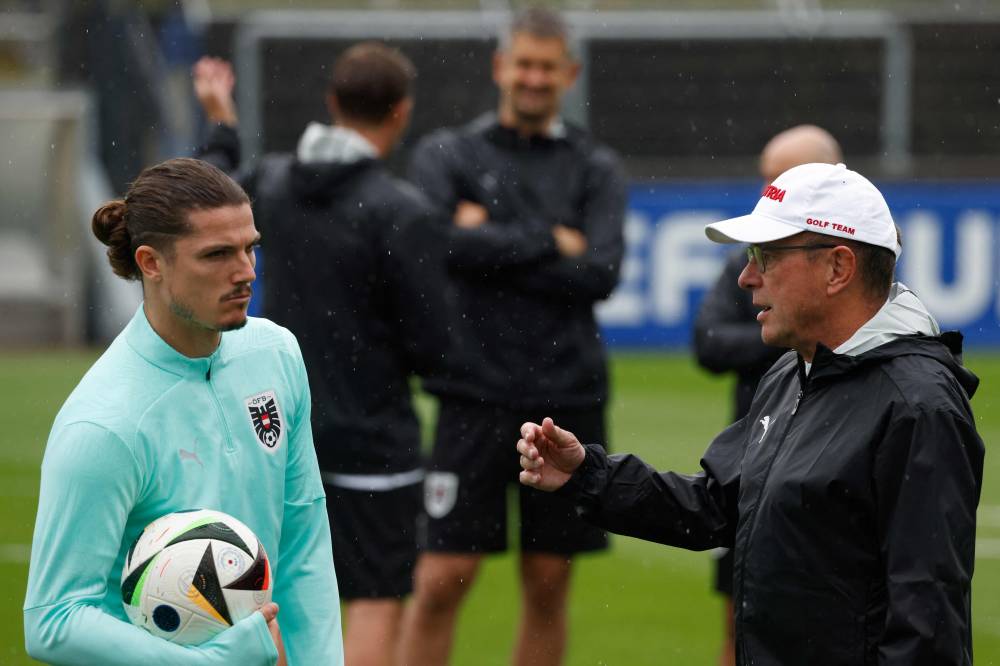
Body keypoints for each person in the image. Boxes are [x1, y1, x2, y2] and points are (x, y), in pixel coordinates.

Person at [519, 162, 984, 665]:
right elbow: (720, 505)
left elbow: (927, 624)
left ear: (838, 268)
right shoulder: (793, 372)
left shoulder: (918, 406)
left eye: (767, 256)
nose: (746, 277)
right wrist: (589, 474)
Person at [23, 157, 343, 665]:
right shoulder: (104, 425)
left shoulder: (276, 353)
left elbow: (303, 536)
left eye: (249, 248)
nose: (245, 273)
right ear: (151, 263)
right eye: (216, 254)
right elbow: (54, 618)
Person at [192, 43, 449, 666]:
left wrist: (221, 125)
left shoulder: (273, 185)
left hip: (273, 427)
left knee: (273, 597)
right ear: (401, 113)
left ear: (333, 105)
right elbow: (435, 345)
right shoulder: (401, 210)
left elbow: (202, 197)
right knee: (374, 599)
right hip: (372, 444)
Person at [398, 7, 626, 666]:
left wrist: (486, 232)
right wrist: (549, 238)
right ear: (501, 67)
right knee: (440, 581)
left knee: (549, 584)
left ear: (569, 74)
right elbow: (436, 244)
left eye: (546, 67)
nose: (532, 78)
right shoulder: (449, 152)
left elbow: (601, 271)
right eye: (522, 63)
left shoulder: (596, 166)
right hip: (471, 392)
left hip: (566, 394)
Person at [692, 124, 843, 666]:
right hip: (751, 464)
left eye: (781, 179)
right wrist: (791, 340)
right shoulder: (748, 262)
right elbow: (706, 342)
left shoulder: (903, 384)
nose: (768, 191)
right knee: (743, 631)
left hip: (822, 473)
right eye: (765, 179)